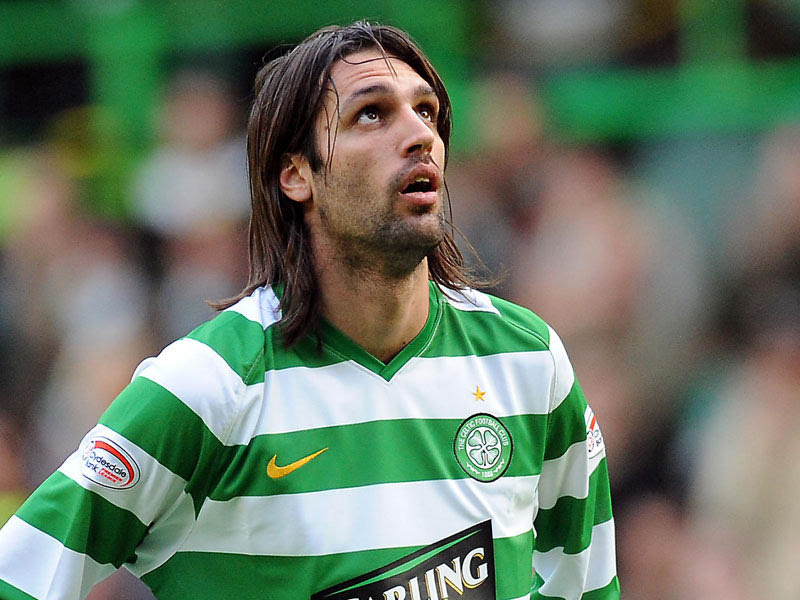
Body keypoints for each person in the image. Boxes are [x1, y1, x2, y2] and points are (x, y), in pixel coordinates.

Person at [0, 22, 618, 600]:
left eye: (427, 111)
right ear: (296, 174)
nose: (419, 135)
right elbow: (21, 572)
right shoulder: (209, 387)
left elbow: (587, 585)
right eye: (371, 113)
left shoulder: (528, 361)